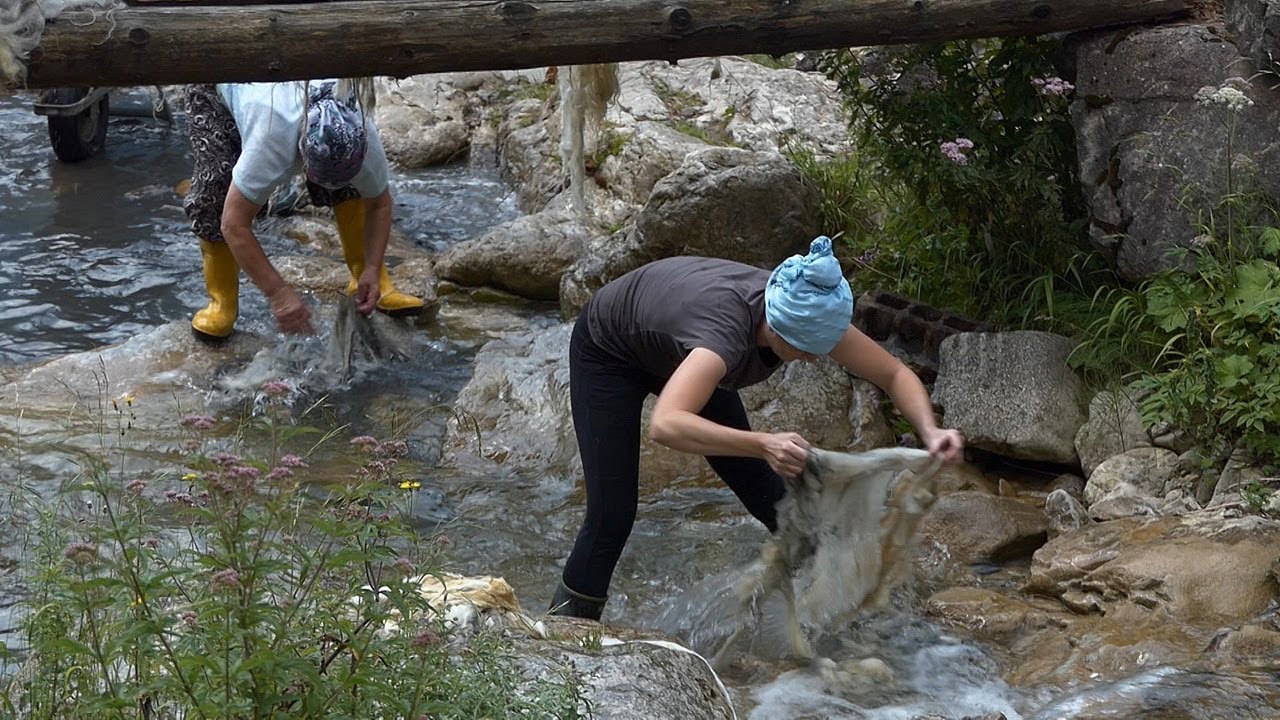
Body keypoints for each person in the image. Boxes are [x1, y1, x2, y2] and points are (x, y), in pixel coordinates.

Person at [549, 236, 965, 620]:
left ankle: (846, 608)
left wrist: (929, 431)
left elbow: (893, 373)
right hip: (611, 352)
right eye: (805, 350)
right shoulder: (725, 337)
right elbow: (666, 425)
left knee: (766, 491)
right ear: (776, 328)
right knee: (612, 514)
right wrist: (764, 442)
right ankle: (564, 636)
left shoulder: (808, 305)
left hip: (676, 343)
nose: (814, 359)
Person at [182, 79, 423, 341]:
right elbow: (233, 224)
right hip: (224, 77)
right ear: (301, 157)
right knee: (215, 191)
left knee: (351, 189)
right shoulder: (271, 140)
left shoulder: (360, 130)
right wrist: (278, 294)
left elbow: (379, 203)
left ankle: (365, 277)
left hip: (301, 88)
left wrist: (373, 269)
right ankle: (222, 304)